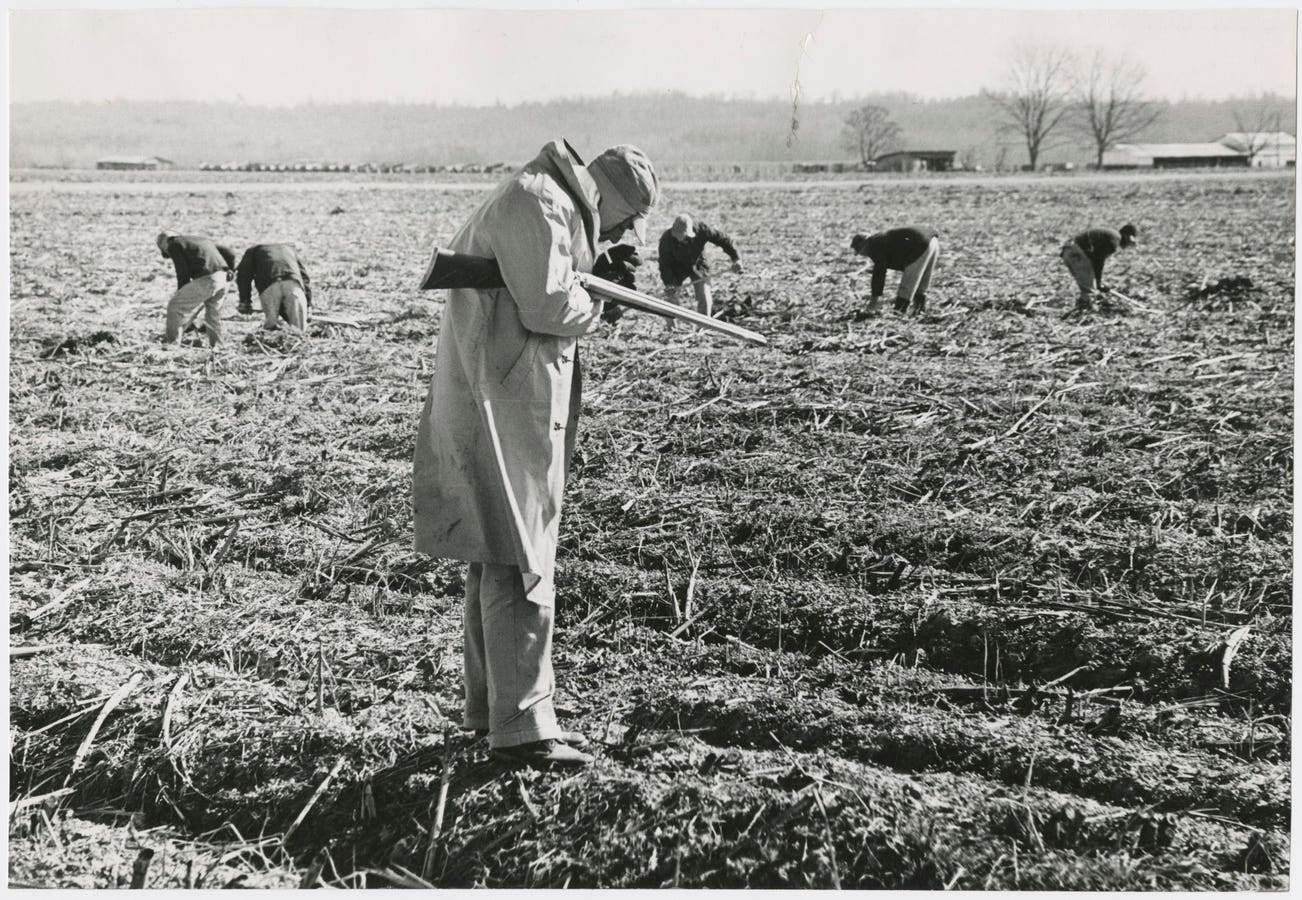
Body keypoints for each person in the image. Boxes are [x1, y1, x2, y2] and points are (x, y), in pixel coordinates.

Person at [412, 140, 658, 768]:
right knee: (520, 558)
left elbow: (545, 286)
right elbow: (550, 305)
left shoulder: (550, 204)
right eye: (627, 220)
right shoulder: (537, 202)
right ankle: (521, 729)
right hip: (501, 402)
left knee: (497, 552)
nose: (624, 232)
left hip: (504, 397)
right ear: (610, 196)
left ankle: (489, 710)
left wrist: (591, 276)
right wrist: (600, 299)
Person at [158, 231, 236, 346]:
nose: (167, 252)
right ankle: (218, 347)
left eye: (164, 250)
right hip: (224, 278)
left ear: (163, 243)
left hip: (208, 279)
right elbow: (230, 253)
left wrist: (181, 293)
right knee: (212, 314)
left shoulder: (174, 244)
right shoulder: (200, 240)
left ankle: (171, 345)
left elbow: (182, 272)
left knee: (175, 306)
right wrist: (231, 270)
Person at [657, 214, 742, 317]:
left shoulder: (702, 230)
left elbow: (724, 240)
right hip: (676, 267)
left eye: (682, 234)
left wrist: (736, 258)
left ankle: (704, 326)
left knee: (704, 295)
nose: (679, 238)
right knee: (671, 296)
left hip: (698, 264)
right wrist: (669, 282)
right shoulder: (666, 239)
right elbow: (664, 264)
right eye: (677, 234)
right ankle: (672, 329)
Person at [849, 226, 940, 315]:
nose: (862, 255)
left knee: (908, 283)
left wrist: (875, 298)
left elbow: (879, 271)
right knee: (921, 282)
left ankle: (899, 312)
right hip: (932, 241)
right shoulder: (880, 239)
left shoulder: (874, 244)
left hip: (920, 243)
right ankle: (919, 310)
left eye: (860, 251)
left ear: (863, 245)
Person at [235, 243, 313, 331]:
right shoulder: (289, 249)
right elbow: (305, 278)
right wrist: (308, 304)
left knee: (271, 327)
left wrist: (245, 302)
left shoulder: (252, 251)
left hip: (269, 284)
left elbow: (243, 276)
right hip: (293, 283)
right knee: (299, 328)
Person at [1061, 224, 1138, 310]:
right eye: (1130, 242)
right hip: (1076, 253)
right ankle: (1086, 314)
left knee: (1087, 287)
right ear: (1128, 236)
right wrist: (1098, 282)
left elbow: (1095, 258)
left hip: (1068, 251)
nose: (1128, 245)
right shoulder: (1114, 241)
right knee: (1090, 291)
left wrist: (1098, 282)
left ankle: (1079, 310)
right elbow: (1097, 260)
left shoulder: (1112, 236)